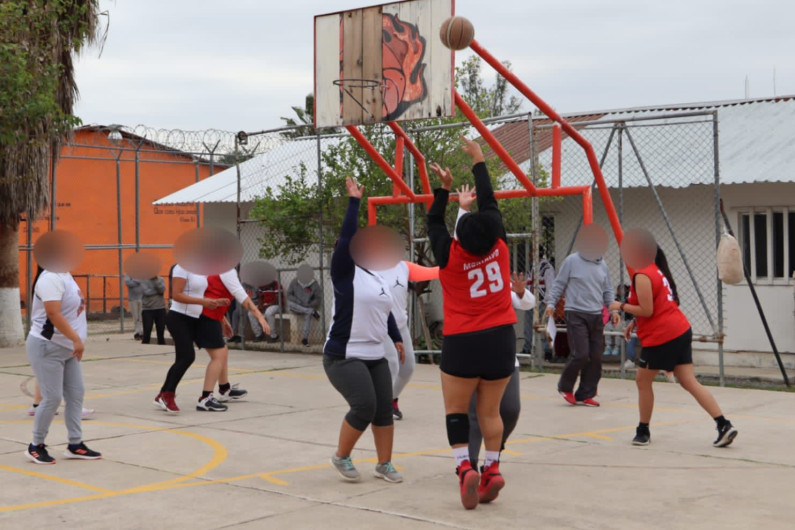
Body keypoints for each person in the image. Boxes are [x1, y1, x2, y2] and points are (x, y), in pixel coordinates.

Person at [427, 136, 517, 510]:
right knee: (490, 412)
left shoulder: (449, 257)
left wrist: (445, 189)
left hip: (463, 340)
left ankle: (465, 467)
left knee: (456, 410)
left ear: (458, 236)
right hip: (501, 338)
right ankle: (492, 469)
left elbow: (434, 220)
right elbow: (489, 203)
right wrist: (479, 159)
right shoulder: (501, 247)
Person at [611, 229, 738, 448]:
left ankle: (643, 431)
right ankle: (723, 424)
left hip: (663, 336)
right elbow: (656, 305)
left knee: (642, 381)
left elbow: (648, 309)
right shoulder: (655, 270)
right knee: (688, 381)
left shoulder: (642, 275)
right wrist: (635, 322)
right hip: (679, 330)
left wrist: (620, 305)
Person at [324, 177, 405, 485]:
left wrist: (396, 338)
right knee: (364, 406)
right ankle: (341, 456)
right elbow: (346, 238)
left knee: (383, 410)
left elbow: (386, 310)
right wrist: (354, 202)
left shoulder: (376, 276)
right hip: (344, 355)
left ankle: (384, 464)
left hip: (375, 354)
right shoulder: (344, 273)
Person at [452, 186, 533, 467]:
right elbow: (457, 240)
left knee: (510, 410)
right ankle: (470, 466)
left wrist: (521, 292)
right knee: (474, 414)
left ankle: (494, 450)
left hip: (501, 354)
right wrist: (462, 209)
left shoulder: (497, 265)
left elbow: (527, 303)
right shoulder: (460, 267)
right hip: (472, 350)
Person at [26, 247, 101, 464]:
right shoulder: (49, 278)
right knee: (52, 398)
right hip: (47, 347)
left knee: (76, 394)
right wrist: (75, 339)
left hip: (67, 349)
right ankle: (35, 445)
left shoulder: (65, 275)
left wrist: (75, 341)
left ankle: (75, 444)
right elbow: (53, 313)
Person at [544, 224, 619, 407]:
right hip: (576, 313)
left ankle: (585, 394)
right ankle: (565, 387)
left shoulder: (602, 265)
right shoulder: (571, 261)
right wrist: (551, 304)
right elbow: (559, 284)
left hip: (596, 315)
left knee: (596, 357)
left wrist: (613, 310)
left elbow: (607, 290)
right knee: (581, 354)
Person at [153, 264, 229, 413]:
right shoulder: (181, 268)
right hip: (179, 318)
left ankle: (163, 394)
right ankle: (167, 395)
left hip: (194, 319)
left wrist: (215, 305)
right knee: (187, 357)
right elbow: (177, 295)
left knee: (186, 357)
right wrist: (203, 302)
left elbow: (198, 295)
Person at [196, 269, 270, 410]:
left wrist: (223, 320)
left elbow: (213, 294)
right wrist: (259, 316)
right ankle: (205, 398)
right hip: (205, 318)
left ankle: (224, 389)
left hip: (210, 317)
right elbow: (240, 294)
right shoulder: (226, 270)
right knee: (218, 356)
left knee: (223, 351)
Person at [380, 260, 439, 420]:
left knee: (407, 368)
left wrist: (455, 264)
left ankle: (391, 399)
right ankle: (381, 406)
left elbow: (433, 272)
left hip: (400, 326)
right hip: (380, 327)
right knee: (392, 364)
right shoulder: (367, 267)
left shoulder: (403, 266)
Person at [521, 255, 555, 357]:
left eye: (533, 252)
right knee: (528, 326)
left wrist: (546, 301)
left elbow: (550, 285)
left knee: (545, 326)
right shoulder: (532, 266)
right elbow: (528, 283)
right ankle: (528, 348)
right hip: (531, 300)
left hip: (542, 301)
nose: (530, 255)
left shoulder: (547, 267)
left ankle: (548, 350)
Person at [287, 267, 322, 346]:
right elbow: (289, 295)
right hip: (297, 306)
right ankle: (312, 311)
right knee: (290, 304)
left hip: (307, 306)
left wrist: (309, 304)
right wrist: (298, 301)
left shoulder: (314, 283)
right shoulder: (294, 281)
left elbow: (318, 299)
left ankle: (305, 339)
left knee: (308, 314)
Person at [248, 278, 285, 343]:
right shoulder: (262, 285)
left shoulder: (276, 284)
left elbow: (277, 299)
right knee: (251, 312)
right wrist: (260, 305)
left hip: (277, 305)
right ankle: (259, 334)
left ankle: (273, 336)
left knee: (268, 313)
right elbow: (260, 297)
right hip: (265, 306)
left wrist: (267, 306)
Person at [140, 275, 166, 345]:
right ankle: (145, 347)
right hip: (147, 309)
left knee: (161, 331)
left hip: (160, 308)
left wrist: (156, 281)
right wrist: (157, 291)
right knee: (147, 331)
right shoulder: (143, 280)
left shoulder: (160, 279)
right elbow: (146, 292)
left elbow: (162, 290)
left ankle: (161, 346)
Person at [124, 273, 144, 340]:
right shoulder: (128, 274)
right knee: (135, 317)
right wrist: (138, 281)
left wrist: (134, 280)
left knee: (141, 316)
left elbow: (145, 282)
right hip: (132, 299)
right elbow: (128, 283)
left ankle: (142, 332)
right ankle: (137, 332)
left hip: (142, 298)